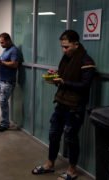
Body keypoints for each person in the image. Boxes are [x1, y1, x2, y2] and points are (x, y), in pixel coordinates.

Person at [31, 30, 96, 180]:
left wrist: (64, 82)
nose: (64, 50)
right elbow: (63, 78)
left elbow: (85, 85)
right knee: (53, 134)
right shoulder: (67, 59)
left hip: (75, 107)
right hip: (61, 103)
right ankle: (50, 164)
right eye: (62, 47)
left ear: (76, 44)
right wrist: (55, 77)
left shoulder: (87, 62)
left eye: (66, 47)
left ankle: (72, 170)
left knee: (71, 137)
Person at [0, 32, 22, 132]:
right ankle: (4, 122)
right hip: (1, 80)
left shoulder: (14, 50)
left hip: (8, 81)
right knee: (2, 102)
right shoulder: (6, 50)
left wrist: (0, 62)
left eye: (2, 42)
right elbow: (4, 61)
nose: (1, 45)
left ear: (8, 40)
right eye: (0, 43)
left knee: (3, 102)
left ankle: (5, 124)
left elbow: (14, 64)